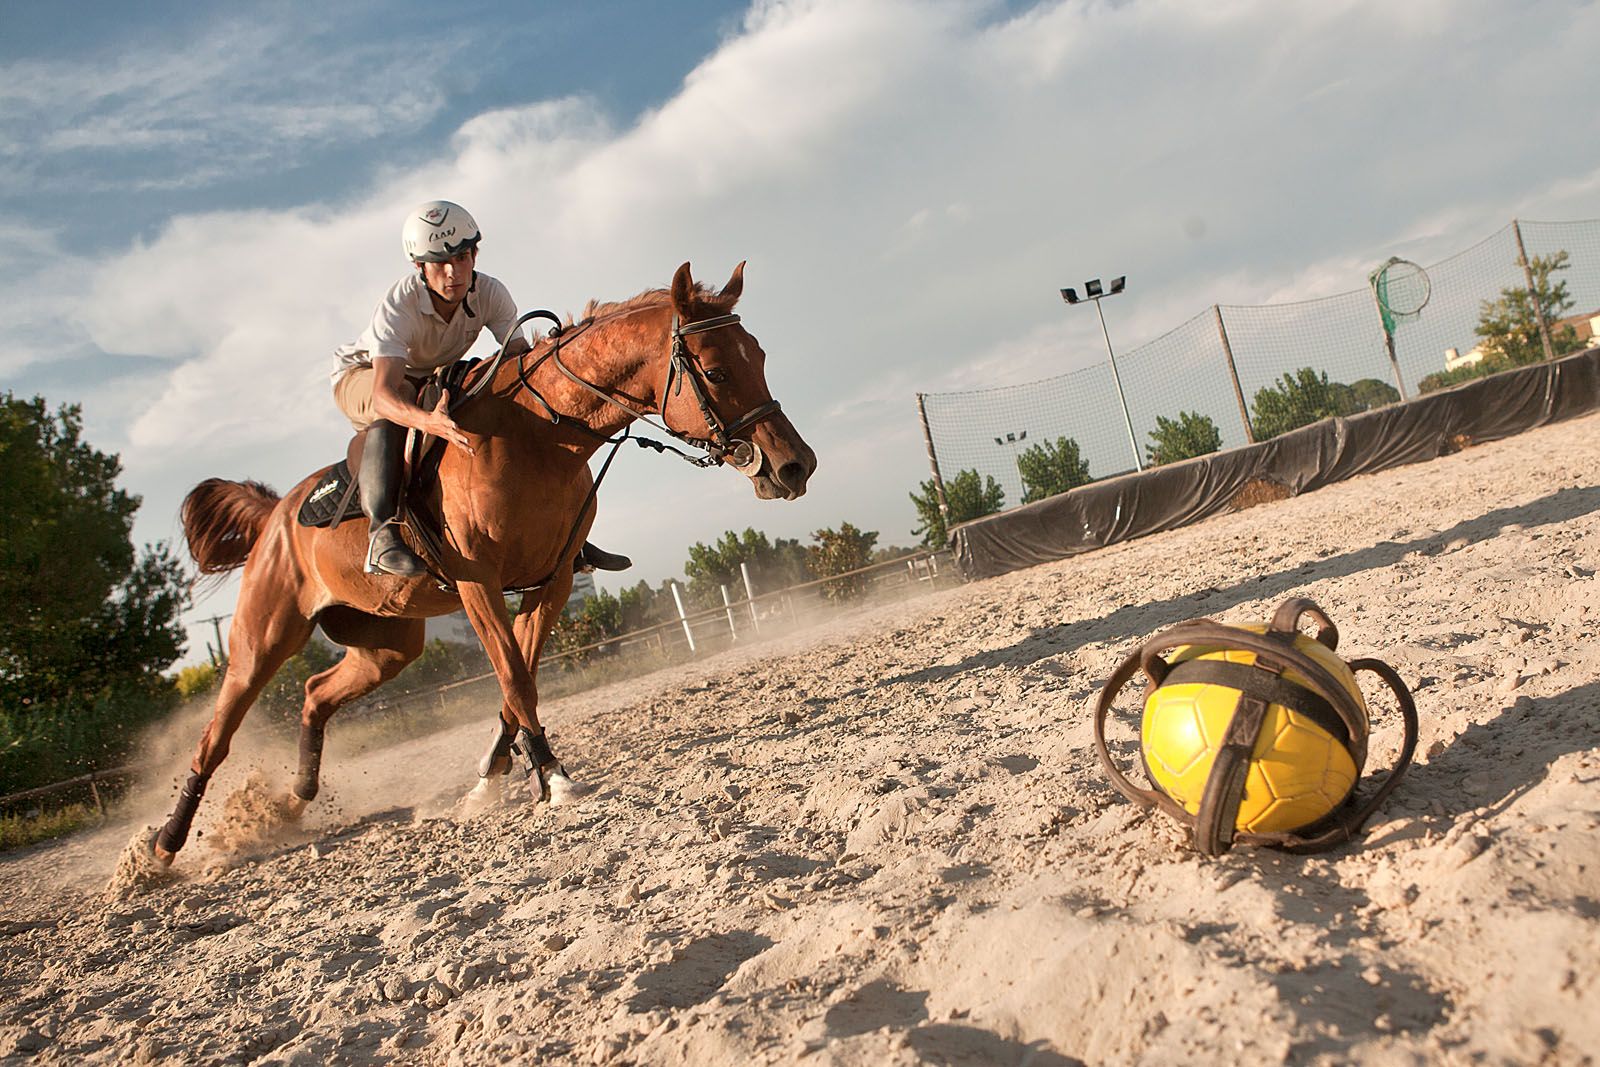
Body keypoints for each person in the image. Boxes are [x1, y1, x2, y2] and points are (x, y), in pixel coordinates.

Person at [332, 200, 629, 578]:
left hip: (432, 372)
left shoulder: (491, 292)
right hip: (364, 375)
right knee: (404, 398)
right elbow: (383, 396)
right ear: (419, 266)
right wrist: (428, 422)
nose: (452, 271)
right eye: (439, 262)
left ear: (474, 253)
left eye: (461, 257)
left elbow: (522, 369)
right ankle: (382, 535)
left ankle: (571, 536)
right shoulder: (398, 305)